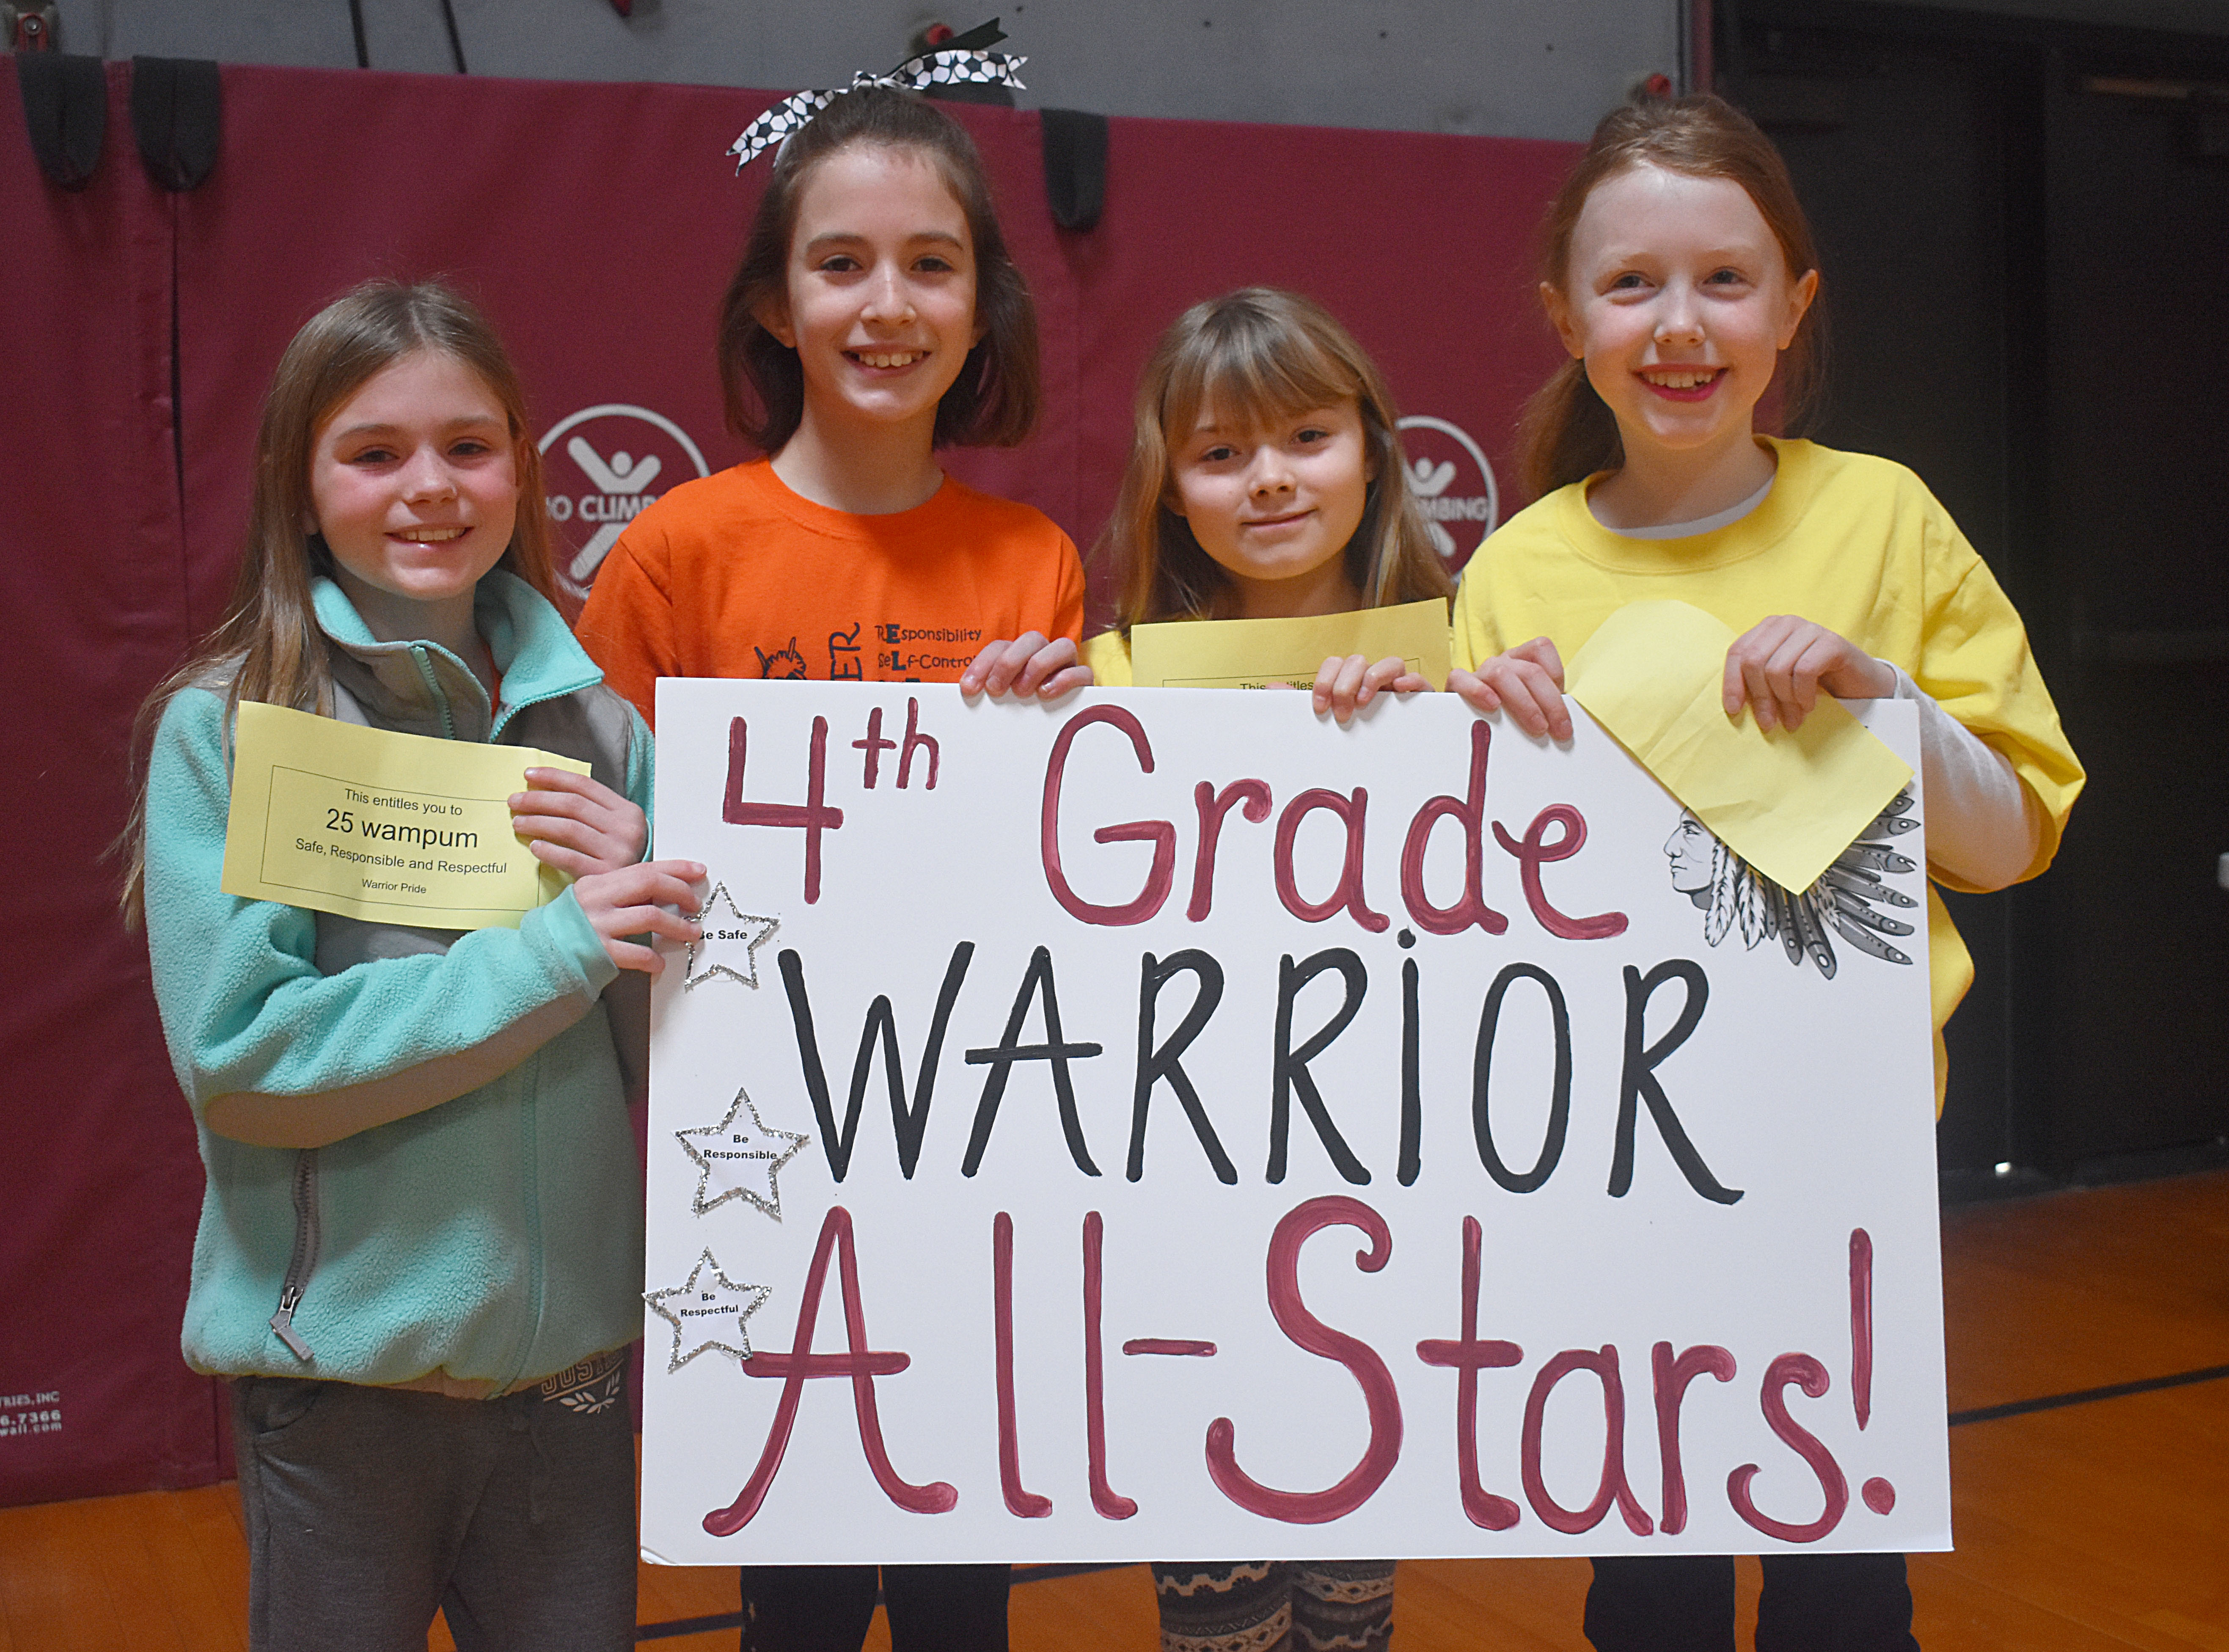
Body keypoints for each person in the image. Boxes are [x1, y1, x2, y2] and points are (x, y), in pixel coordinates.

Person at [1449, 93, 2084, 1652]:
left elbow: (2008, 839)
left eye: (1725, 281)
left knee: (1841, 1589)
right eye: (1629, 286)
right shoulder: (1517, 565)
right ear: (1564, 319)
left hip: (1842, 1151)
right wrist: (1462, 748)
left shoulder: (1880, 515)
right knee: (1646, 1586)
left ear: (1793, 307)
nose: (1679, 326)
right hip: (1605, 1154)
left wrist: (1882, 700)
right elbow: (1473, 903)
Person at [121, 279, 705, 1652]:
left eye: (470, 446)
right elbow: (247, 1064)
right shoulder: (228, 730)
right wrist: (555, 950)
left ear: (521, 461)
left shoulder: (608, 737)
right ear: (300, 483)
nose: (429, 488)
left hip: (571, 1383)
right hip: (344, 1388)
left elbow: (687, 1069)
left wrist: (656, 898)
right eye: (375, 453)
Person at [576, 82, 1084, 1652]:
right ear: (772, 306)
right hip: (756, 1151)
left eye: (932, 265)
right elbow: (599, 852)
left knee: (959, 1582)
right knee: (792, 1587)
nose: (887, 305)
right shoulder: (677, 553)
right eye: (841, 264)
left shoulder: (1034, 562)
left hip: (972, 1139)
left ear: (982, 306)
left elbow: (1068, 879)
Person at [1087, 286, 1456, 1652]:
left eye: (1304, 436)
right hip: (1186, 1227)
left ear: (1371, 449)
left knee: (1353, 1606)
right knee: (1218, 1618)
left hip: (1388, 1222)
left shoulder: (1466, 666)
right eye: (1220, 452)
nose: (1270, 480)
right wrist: (1015, 723)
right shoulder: (1109, 678)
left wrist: (1488, 726)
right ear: (1170, 489)